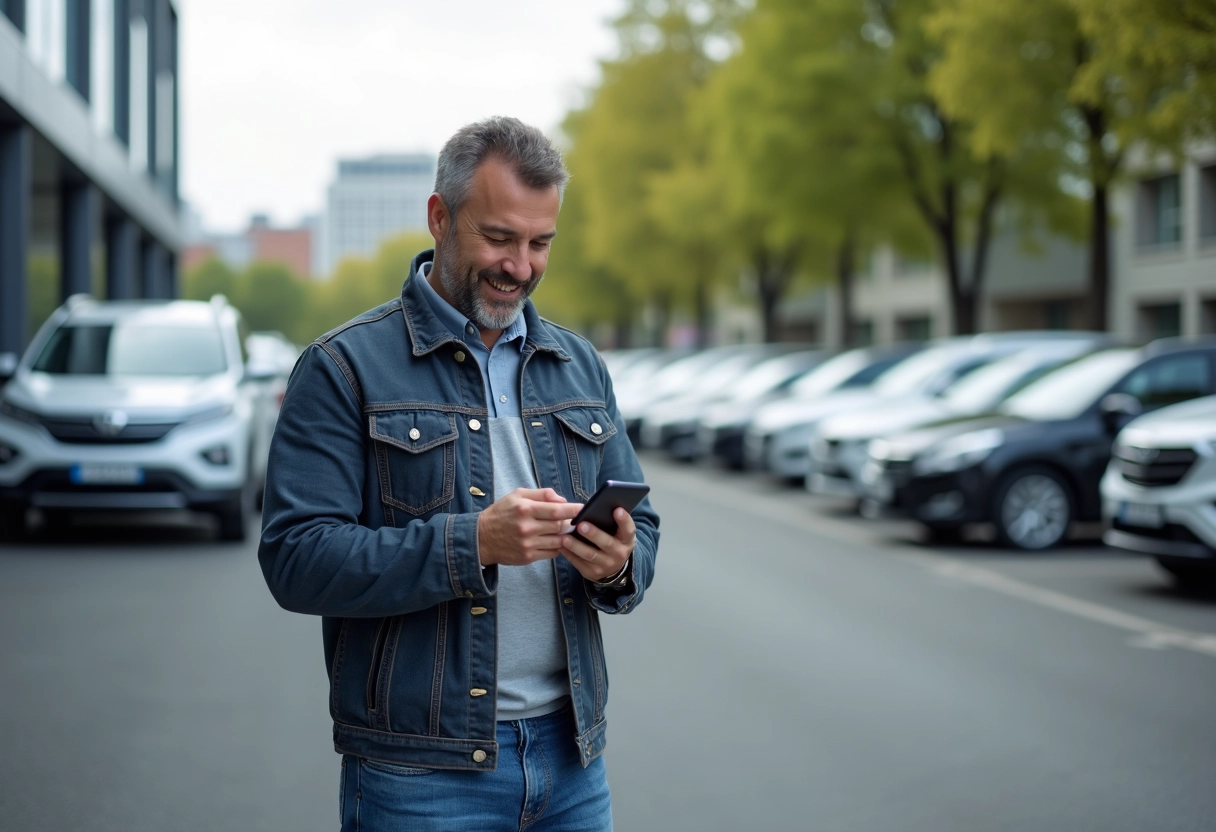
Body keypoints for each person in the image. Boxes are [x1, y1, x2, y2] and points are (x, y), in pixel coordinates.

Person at [258, 116, 659, 831]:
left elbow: (644, 529)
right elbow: (296, 560)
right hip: (418, 774)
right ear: (440, 218)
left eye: (540, 243)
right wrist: (473, 542)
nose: (522, 266)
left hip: (572, 761)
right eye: (499, 238)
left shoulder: (580, 364)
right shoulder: (343, 367)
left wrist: (618, 564)